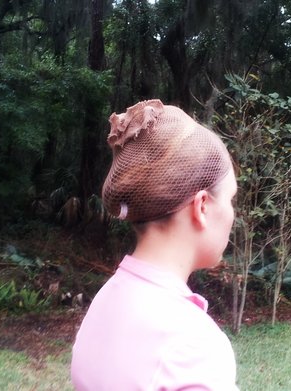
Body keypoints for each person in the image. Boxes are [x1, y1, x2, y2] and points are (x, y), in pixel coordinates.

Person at [71, 99, 239, 390]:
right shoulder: (192, 345)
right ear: (202, 207)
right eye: (231, 200)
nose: (233, 214)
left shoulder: (104, 302)